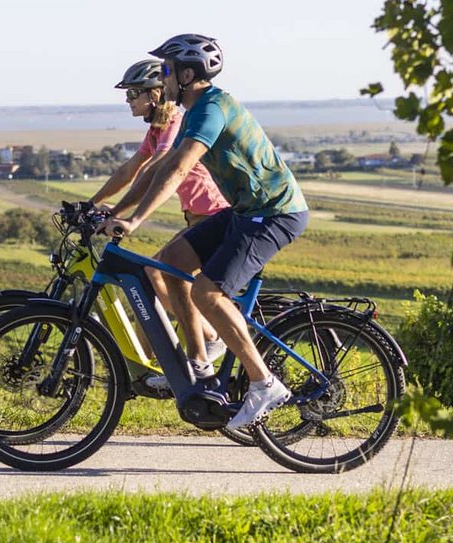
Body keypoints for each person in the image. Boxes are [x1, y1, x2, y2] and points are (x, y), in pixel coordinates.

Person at [103, 34, 310, 433]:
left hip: (274, 213)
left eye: (165, 71)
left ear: (187, 74)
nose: (161, 80)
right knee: (166, 265)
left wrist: (135, 222)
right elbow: (163, 170)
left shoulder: (213, 108)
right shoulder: (194, 112)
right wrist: (114, 211)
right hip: (245, 212)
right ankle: (198, 367)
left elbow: (181, 169)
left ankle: (264, 383)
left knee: (207, 292)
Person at [88, 59, 232, 386]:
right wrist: (92, 203)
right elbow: (130, 170)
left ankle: (209, 342)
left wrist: (125, 216)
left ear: (156, 94)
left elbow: (157, 168)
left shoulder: (175, 122)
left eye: (134, 94)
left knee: (158, 272)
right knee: (154, 272)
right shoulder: (155, 129)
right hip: (198, 216)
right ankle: (184, 357)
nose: (128, 101)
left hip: (213, 215)